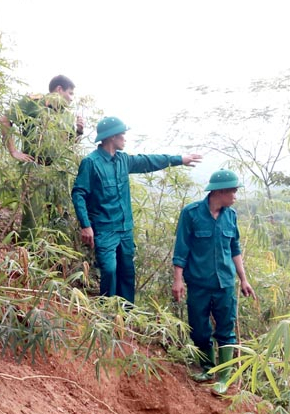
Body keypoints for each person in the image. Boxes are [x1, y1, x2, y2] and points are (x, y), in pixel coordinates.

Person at [72, 116, 201, 303]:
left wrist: (179, 159)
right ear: (111, 137)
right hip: (104, 228)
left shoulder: (124, 160)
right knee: (109, 269)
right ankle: (107, 311)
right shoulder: (91, 163)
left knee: (127, 272)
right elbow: (79, 194)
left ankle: (126, 315)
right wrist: (85, 225)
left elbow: (149, 161)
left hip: (125, 228)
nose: (125, 138)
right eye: (122, 135)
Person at [172, 169, 255, 392]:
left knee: (226, 330)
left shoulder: (231, 215)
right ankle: (207, 367)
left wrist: (244, 279)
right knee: (199, 329)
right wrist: (178, 280)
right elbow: (181, 249)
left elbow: (234, 248)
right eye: (233, 192)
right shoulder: (191, 214)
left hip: (225, 284)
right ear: (220, 192)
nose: (235, 196)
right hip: (198, 283)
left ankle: (224, 377)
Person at [0, 75, 85, 241]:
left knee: (60, 216)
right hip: (35, 167)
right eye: (70, 93)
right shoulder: (33, 102)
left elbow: (67, 145)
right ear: (59, 89)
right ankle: (26, 256)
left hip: (58, 171)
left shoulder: (67, 114)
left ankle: (57, 262)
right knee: (32, 216)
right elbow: (5, 119)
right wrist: (14, 151)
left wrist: (79, 132)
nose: (72, 99)